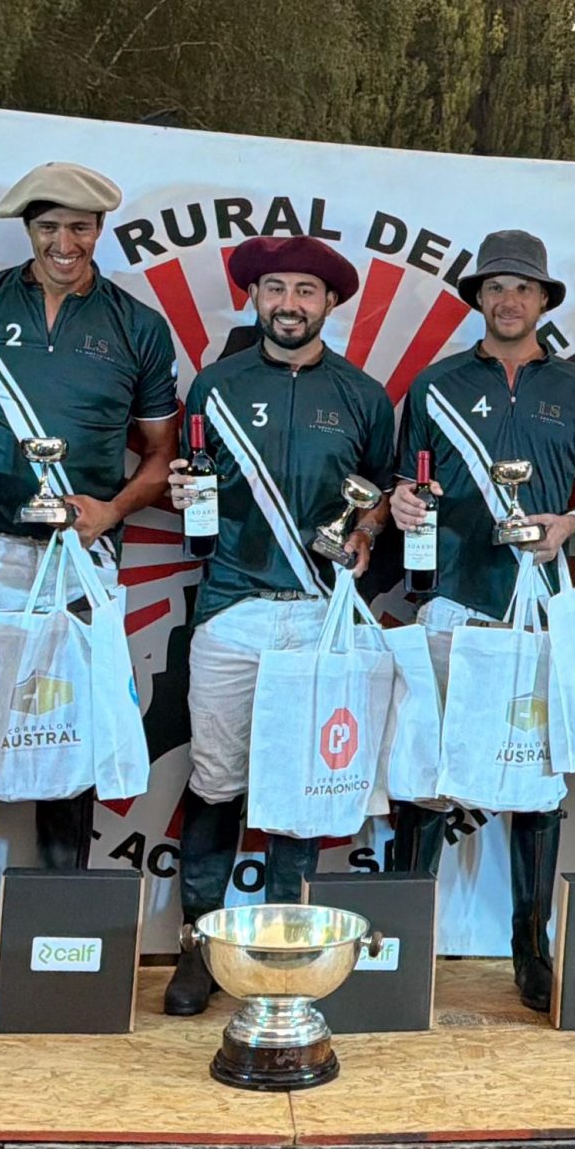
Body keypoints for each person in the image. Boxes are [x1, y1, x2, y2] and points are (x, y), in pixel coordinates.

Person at [0, 161, 181, 1019]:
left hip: (80, 558)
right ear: (28, 231)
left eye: (81, 228)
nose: (65, 243)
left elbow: (161, 456)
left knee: (70, 739)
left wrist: (111, 507)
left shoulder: (136, 327)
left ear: (100, 234)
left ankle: (60, 944)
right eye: (50, 227)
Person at [161, 236, 397, 1014]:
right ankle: (199, 948)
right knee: (215, 782)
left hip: (319, 620)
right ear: (254, 298)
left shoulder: (364, 396)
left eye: (305, 290)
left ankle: (288, 947)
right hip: (230, 610)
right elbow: (193, 487)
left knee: (302, 791)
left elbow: (378, 500)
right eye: (274, 289)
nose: (289, 303)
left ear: (330, 303)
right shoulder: (215, 386)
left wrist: (366, 531)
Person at [385, 231, 575, 1011]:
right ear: (478, 299)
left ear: (544, 300)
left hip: (543, 605)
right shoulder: (435, 383)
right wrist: (402, 503)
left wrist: (568, 524)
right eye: (495, 288)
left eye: (523, 289)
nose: (508, 301)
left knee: (539, 779)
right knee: (430, 777)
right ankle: (406, 940)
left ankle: (531, 944)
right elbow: (402, 485)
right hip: (454, 595)